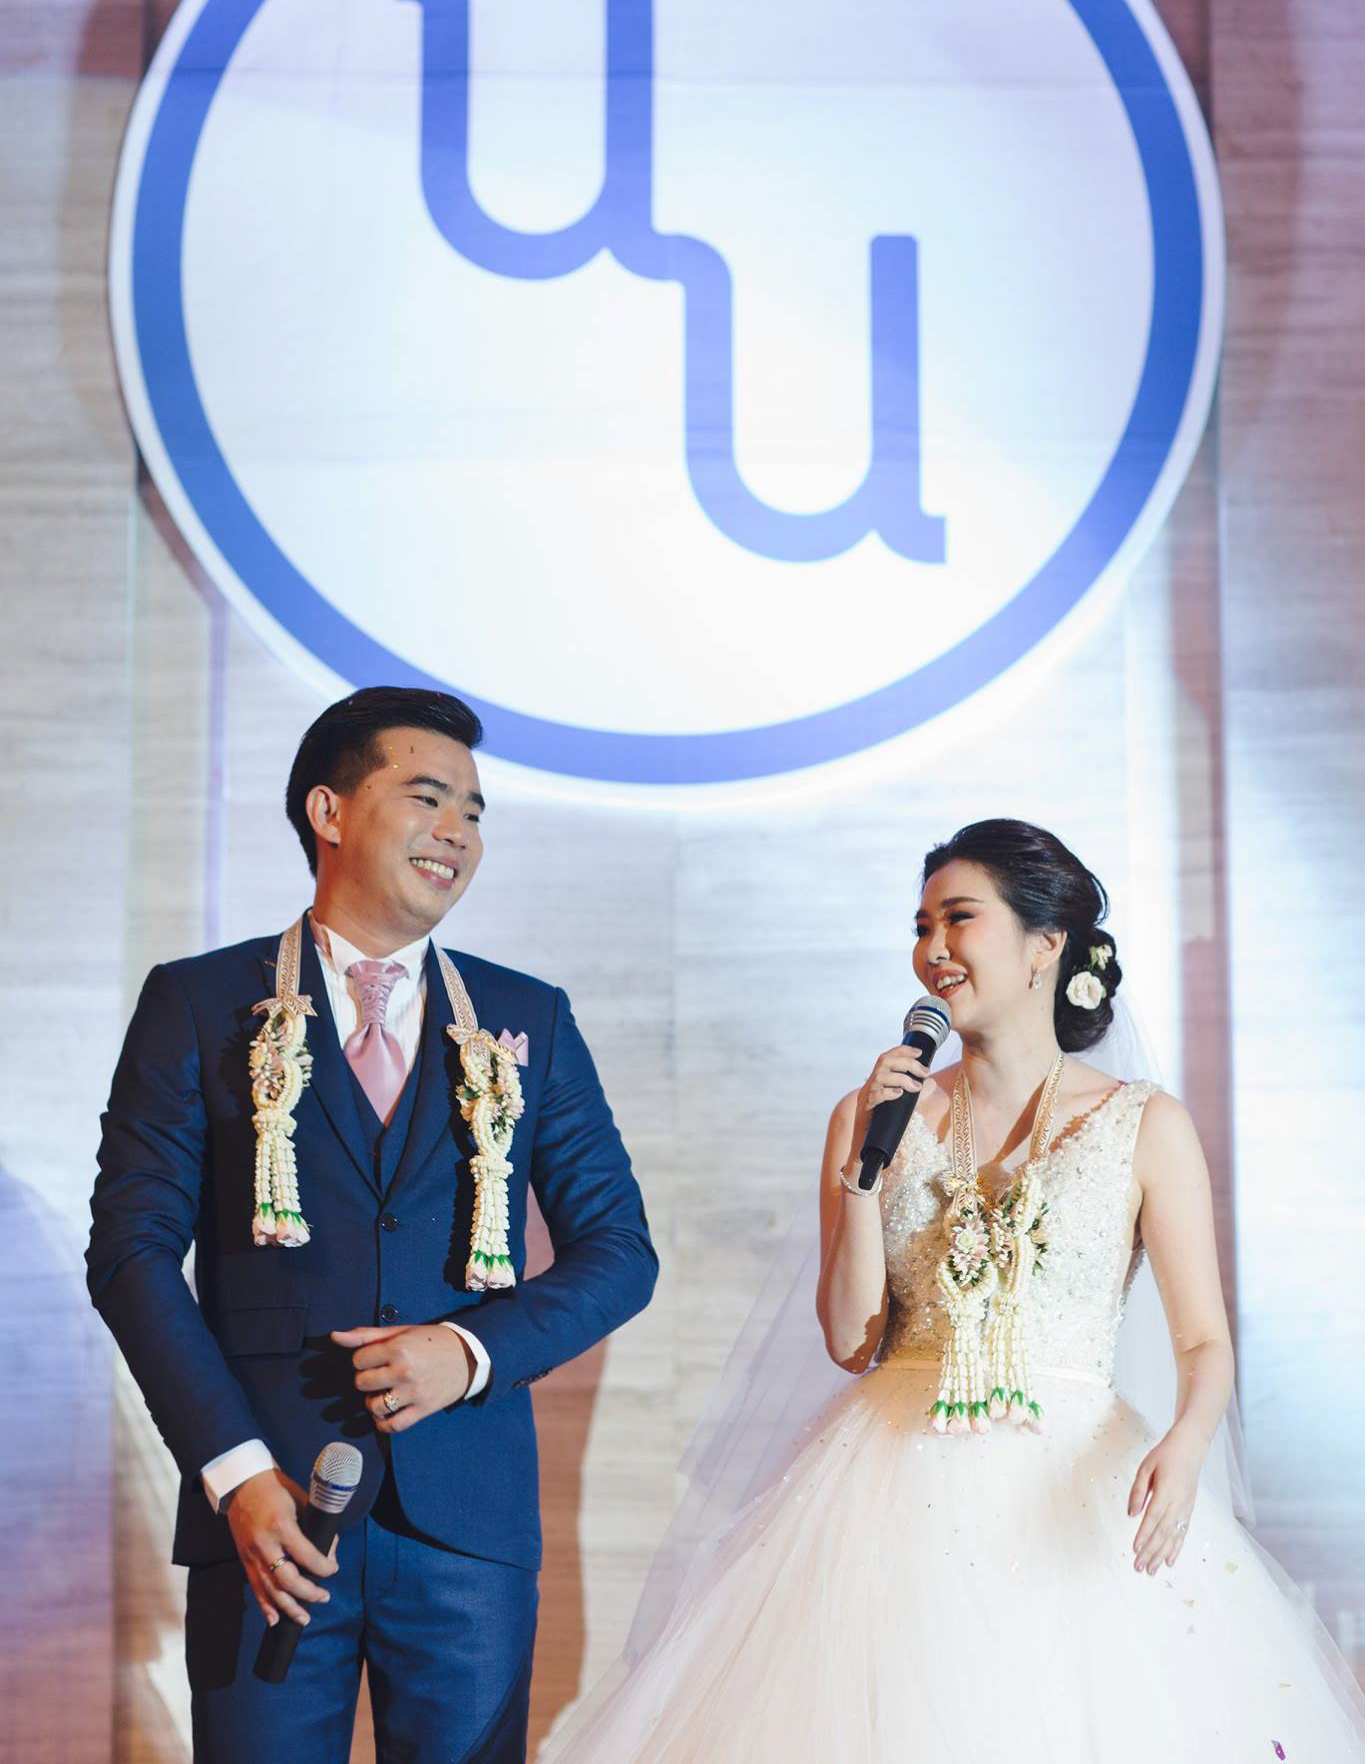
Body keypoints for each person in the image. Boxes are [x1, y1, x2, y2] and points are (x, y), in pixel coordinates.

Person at [541, 819, 1365, 1761]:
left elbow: (1202, 1342)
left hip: (1070, 1486)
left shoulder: (1143, 1124)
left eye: (958, 919)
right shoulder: (872, 1115)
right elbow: (851, 1340)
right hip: (890, 1482)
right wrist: (862, 1175)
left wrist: (1183, 1445)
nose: (932, 949)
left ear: (1044, 945)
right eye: (921, 926)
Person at [87, 686, 657, 1762]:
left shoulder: (526, 1017)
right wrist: (234, 1471)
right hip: (267, 1511)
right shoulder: (200, 1003)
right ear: (330, 811)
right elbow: (130, 1253)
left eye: (475, 812)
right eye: (428, 797)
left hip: (468, 1525)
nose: (458, 831)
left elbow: (621, 1253)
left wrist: (469, 1352)